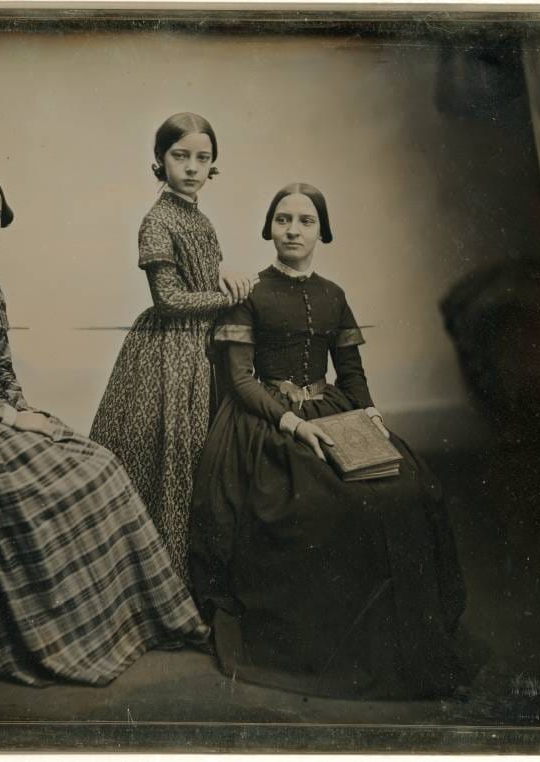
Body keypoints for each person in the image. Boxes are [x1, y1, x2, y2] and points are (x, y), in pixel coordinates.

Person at [0, 169, 208, 686]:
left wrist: (24, 412)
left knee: (101, 465)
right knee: (49, 488)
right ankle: (57, 633)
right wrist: (7, 417)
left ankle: (114, 624)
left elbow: (1, 366)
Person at [189, 182, 467, 699]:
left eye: (305, 221)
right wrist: (292, 423)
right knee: (323, 502)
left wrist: (370, 415)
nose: (293, 230)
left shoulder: (334, 295)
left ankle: (398, 639)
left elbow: (352, 372)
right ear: (269, 228)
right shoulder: (250, 294)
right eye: (283, 220)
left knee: (410, 488)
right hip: (266, 422)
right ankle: (333, 643)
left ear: (322, 231)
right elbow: (241, 380)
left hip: (333, 410)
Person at [90, 113, 255, 582]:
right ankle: (163, 582)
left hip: (204, 349)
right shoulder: (157, 220)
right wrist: (231, 298)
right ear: (160, 160)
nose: (192, 167)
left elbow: (202, 272)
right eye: (180, 156)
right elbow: (169, 300)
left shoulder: (199, 217)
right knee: (172, 463)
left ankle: (197, 576)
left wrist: (224, 274)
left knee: (203, 460)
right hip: (169, 353)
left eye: (203, 158)